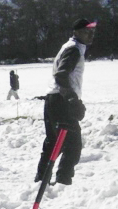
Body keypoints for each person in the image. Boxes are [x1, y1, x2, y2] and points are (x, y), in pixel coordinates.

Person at [33, 18, 96, 186]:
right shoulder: (73, 49)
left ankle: (41, 182)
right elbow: (61, 75)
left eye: (92, 32)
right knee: (73, 145)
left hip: (53, 99)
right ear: (76, 32)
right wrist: (72, 99)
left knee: (54, 143)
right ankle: (62, 183)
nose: (90, 35)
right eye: (86, 31)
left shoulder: (72, 47)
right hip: (61, 101)